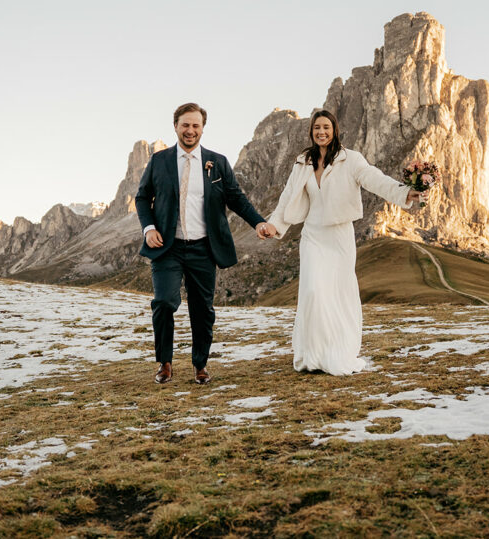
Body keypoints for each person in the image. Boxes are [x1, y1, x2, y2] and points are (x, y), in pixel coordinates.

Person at [265, 110, 424, 375]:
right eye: (317, 128)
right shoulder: (303, 161)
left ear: (334, 129)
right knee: (314, 291)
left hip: (339, 236)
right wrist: (273, 225)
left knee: (338, 293)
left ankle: (337, 351)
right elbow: (288, 195)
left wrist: (404, 192)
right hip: (312, 235)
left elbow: (375, 179)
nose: (321, 132)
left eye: (326, 127)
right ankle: (312, 355)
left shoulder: (350, 159)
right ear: (311, 131)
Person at [135, 102, 274, 385]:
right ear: (175, 126)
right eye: (185, 125)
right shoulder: (159, 161)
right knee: (164, 301)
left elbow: (236, 198)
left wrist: (258, 222)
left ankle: (200, 365)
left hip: (203, 248)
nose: (190, 130)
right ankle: (164, 362)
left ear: (202, 128)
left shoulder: (217, 162)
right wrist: (148, 228)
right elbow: (142, 197)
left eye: (195, 125)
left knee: (203, 310)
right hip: (168, 247)